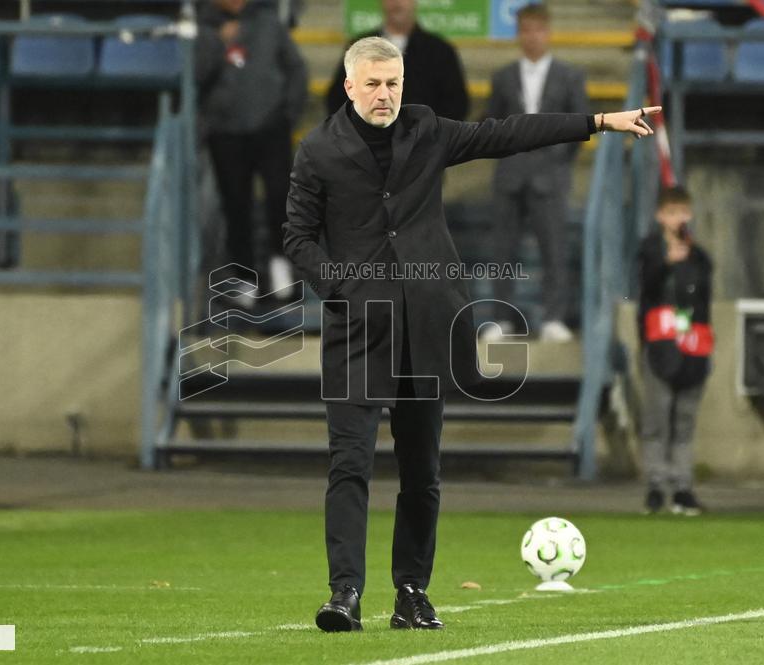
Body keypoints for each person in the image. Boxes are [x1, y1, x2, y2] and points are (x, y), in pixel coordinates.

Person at [284, 35, 659, 632]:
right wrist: (339, 287)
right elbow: (298, 238)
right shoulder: (318, 151)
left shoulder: (427, 130)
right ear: (350, 85)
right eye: (375, 84)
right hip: (358, 332)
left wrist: (598, 121)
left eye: (394, 83)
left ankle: (411, 592)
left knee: (421, 473)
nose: (386, 95)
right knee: (349, 465)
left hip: (426, 327)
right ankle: (344, 595)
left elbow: (504, 133)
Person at [484, 4, 589, 343]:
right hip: (510, 175)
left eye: (538, 30)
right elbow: (491, 124)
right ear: (518, 34)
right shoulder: (502, 77)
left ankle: (554, 317)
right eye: (525, 30)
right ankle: (501, 318)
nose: (532, 37)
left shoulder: (569, 75)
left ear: (548, 32)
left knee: (553, 249)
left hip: (550, 175)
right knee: (503, 249)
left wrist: (554, 158)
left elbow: (579, 124)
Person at [197, 0, 307, 301]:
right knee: (236, 205)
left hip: (270, 129)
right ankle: (244, 276)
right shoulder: (202, 28)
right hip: (225, 133)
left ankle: (280, 263)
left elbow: (295, 67)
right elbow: (195, 77)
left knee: (279, 197)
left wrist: (288, 115)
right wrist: (218, 44)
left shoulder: (269, 23)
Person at [636, 186, 713, 516]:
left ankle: (682, 488)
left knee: (684, 420)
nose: (677, 218)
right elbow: (646, 288)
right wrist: (667, 262)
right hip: (658, 343)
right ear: (660, 216)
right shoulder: (650, 250)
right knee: (657, 419)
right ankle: (655, 486)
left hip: (691, 343)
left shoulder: (699, 256)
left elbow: (703, 302)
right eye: (671, 212)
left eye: (682, 211)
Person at [325, 0, 469, 121]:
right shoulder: (359, 48)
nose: (397, 2)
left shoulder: (441, 51)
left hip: (423, 150)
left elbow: (456, 106)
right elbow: (338, 99)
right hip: (367, 149)